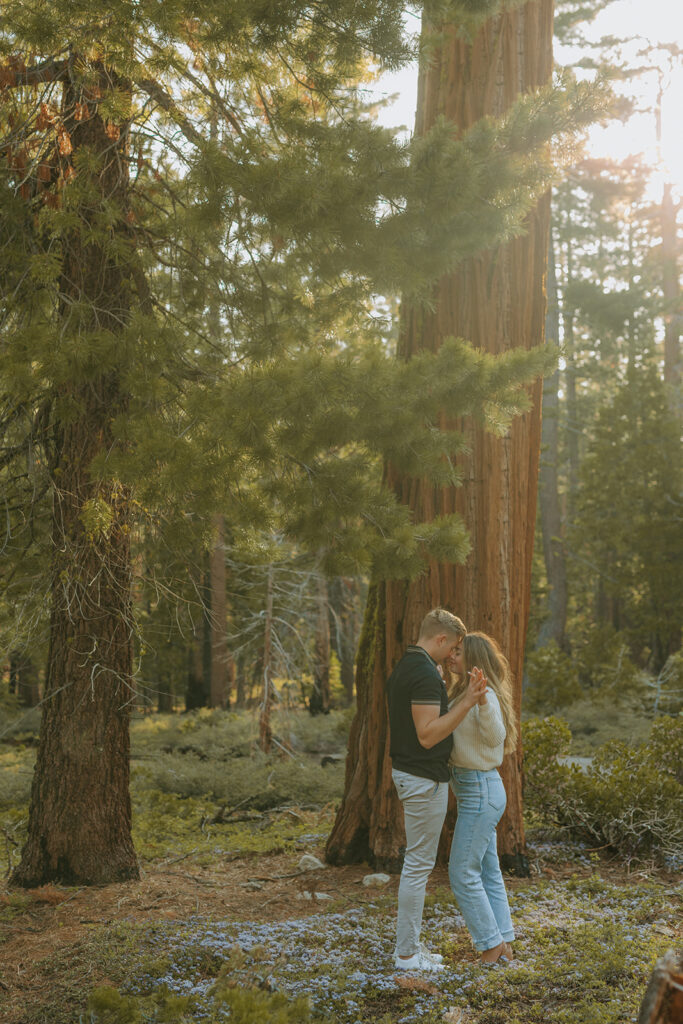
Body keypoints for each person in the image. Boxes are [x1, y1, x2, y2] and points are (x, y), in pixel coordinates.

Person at [387, 608, 487, 972]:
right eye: (454, 648)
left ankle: (410, 947)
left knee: (417, 865)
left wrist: (442, 691)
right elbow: (428, 736)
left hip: (410, 774)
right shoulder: (424, 674)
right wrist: (466, 701)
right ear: (441, 639)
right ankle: (407, 956)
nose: (454, 656)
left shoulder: (407, 667)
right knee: (417, 867)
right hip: (423, 779)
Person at [446, 631, 518, 966]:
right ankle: (503, 943)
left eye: (458, 652)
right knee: (488, 870)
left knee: (462, 871)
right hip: (477, 789)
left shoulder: (484, 693)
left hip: (480, 790)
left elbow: (496, 736)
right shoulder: (465, 690)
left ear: (474, 659)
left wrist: (482, 701)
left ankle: (490, 946)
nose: (452, 656)